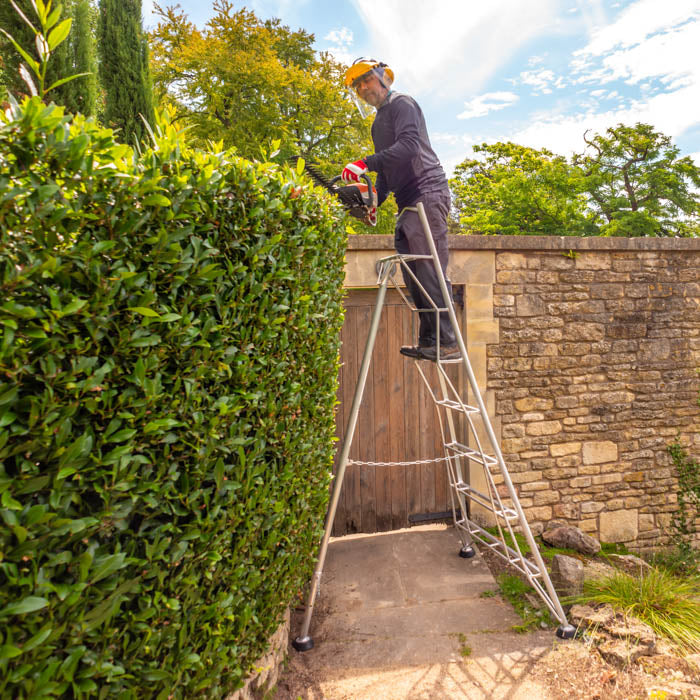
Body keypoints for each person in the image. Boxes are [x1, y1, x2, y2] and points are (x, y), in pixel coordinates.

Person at [341, 58, 459, 361]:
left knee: (429, 268)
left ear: (382, 78)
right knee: (413, 274)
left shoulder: (403, 104)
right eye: (357, 85)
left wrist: (363, 162)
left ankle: (448, 342)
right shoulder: (377, 124)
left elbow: (408, 146)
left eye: (366, 79)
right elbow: (388, 172)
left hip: (428, 193)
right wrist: (375, 202)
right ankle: (430, 341)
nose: (363, 88)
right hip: (407, 202)